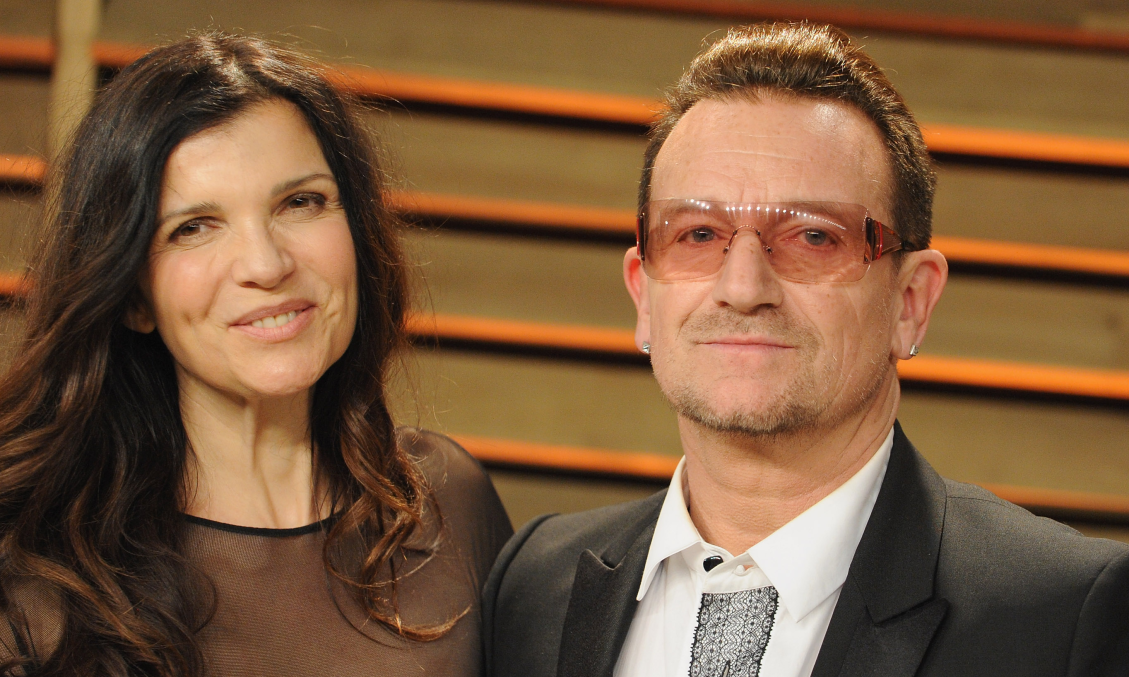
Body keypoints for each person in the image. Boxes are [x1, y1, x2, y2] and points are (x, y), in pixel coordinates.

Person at [482, 22, 1129, 677]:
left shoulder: (1062, 616)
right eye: (698, 233)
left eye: (814, 238)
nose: (743, 287)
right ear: (643, 296)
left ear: (910, 301)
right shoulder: (533, 587)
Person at [0, 32, 512, 677]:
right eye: (193, 228)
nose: (266, 264)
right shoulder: (26, 594)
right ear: (132, 294)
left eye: (300, 203)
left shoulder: (449, 502)